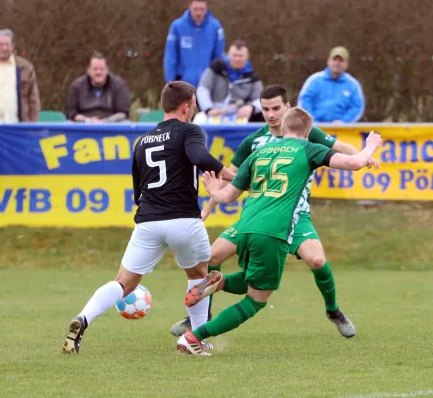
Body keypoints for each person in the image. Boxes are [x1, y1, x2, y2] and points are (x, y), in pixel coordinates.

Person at [170, 84, 371, 339]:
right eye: (265, 109)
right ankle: (201, 315)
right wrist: (209, 205)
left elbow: (343, 149)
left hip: (297, 217)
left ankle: (333, 311)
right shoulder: (254, 141)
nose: (271, 114)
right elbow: (229, 178)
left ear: (288, 108)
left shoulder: (307, 134)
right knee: (210, 257)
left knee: (317, 261)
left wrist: (362, 156)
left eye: (276, 108)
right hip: (258, 216)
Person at [61, 81, 235, 354]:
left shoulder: (143, 140)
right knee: (199, 276)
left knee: (123, 282)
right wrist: (235, 178)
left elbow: (137, 189)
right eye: (195, 106)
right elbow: (198, 155)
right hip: (184, 220)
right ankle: (196, 340)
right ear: (186, 105)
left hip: (148, 221)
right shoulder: (190, 130)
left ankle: (83, 318)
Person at [196, 40, 264, 123]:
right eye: (234, 55)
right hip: (214, 113)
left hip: (239, 115)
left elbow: (261, 99)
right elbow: (203, 89)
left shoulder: (252, 76)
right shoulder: (215, 69)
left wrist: (251, 107)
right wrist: (208, 109)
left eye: (240, 56)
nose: (237, 59)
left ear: (247, 57)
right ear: (228, 55)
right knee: (199, 119)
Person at [164, 0, 225, 88]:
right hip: (183, 84)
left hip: (207, 85)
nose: (198, 13)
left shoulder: (215, 27)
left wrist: (218, 79)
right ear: (190, 7)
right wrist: (170, 81)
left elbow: (218, 56)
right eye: (195, 9)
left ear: (206, 8)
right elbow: (170, 56)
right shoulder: (177, 26)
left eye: (202, 9)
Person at [297, 46, 365, 123]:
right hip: (314, 129)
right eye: (334, 59)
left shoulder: (353, 85)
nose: (337, 63)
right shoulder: (314, 80)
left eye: (341, 60)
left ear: (346, 64)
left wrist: (343, 122)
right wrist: (312, 121)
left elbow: (357, 107)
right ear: (328, 61)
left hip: (342, 131)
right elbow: (304, 100)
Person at [66, 52, 131, 123]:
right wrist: (87, 120)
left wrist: (104, 121)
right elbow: (70, 112)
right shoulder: (77, 86)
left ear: (107, 70)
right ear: (88, 70)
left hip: (112, 125)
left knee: (125, 123)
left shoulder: (119, 85)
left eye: (102, 69)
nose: (98, 72)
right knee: (67, 123)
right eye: (95, 69)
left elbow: (123, 113)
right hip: (83, 124)